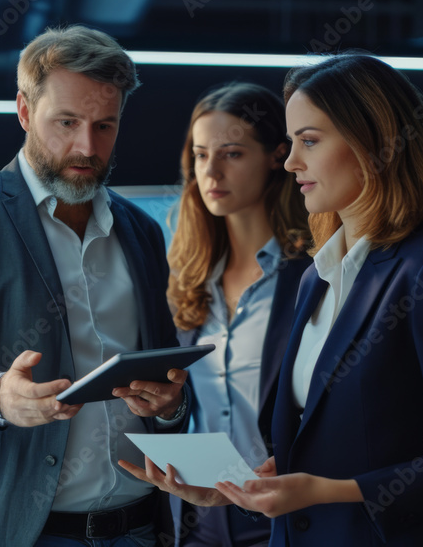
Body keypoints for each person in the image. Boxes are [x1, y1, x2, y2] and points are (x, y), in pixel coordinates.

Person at [122, 54, 423, 546]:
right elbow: (326, 446)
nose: (291, 161)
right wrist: (242, 491)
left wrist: (326, 491)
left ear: (373, 144)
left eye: (309, 141)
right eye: (293, 142)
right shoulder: (317, 278)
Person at [0, 25, 190, 547]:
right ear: (23, 111)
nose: (87, 146)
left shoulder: (142, 231)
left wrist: (171, 405)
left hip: (141, 526)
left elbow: (164, 372)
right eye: (67, 122)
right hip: (15, 531)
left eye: (105, 126)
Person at [164, 82, 311, 546]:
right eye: (201, 155)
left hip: (287, 514)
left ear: (276, 155)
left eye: (231, 154)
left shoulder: (313, 275)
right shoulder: (189, 281)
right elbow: (189, 408)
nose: (211, 171)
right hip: (203, 519)